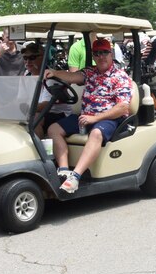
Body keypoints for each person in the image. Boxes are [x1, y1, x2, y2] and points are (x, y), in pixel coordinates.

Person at [44, 37, 132, 194]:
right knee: (53, 129)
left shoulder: (120, 76)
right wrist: (53, 73)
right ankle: (64, 170)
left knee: (96, 133)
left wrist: (96, 118)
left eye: (104, 52)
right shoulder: (90, 72)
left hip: (108, 118)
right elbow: (72, 76)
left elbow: (123, 107)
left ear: (111, 54)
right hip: (86, 117)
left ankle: (75, 176)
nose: (101, 56)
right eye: (97, 53)